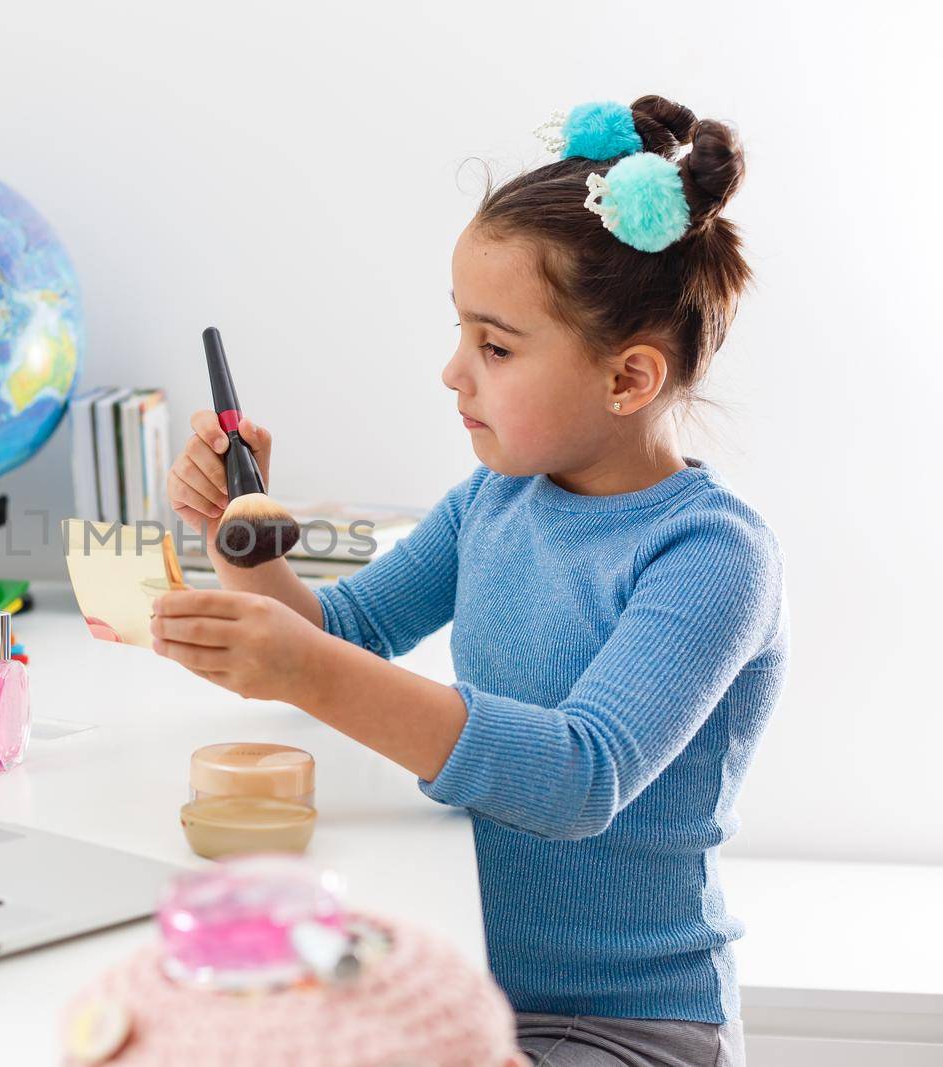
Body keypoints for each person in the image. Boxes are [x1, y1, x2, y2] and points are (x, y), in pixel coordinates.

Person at [154, 95, 785, 1066]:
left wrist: (304, 670)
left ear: (627, 380)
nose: (454, 371)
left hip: (627, 1022)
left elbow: (580, 774)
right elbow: (346, 629)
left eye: (494, 346)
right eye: (461, 333)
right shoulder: (495, 501)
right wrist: (238, 538)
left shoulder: (710, 556)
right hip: (469, 987)